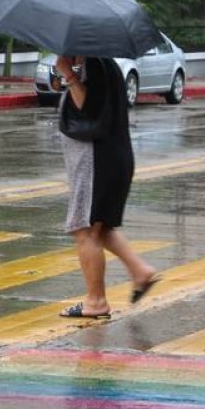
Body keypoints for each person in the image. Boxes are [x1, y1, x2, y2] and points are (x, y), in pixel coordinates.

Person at [55, 55, 159, 318]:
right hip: (111, 158)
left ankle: (96, 301)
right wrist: (66, 76)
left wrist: (68, 74)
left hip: (96, 162)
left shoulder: (95, 65)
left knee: (85, 230)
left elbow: (88, 108)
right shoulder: (102, 64)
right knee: (101, 228)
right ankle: (140, 272)